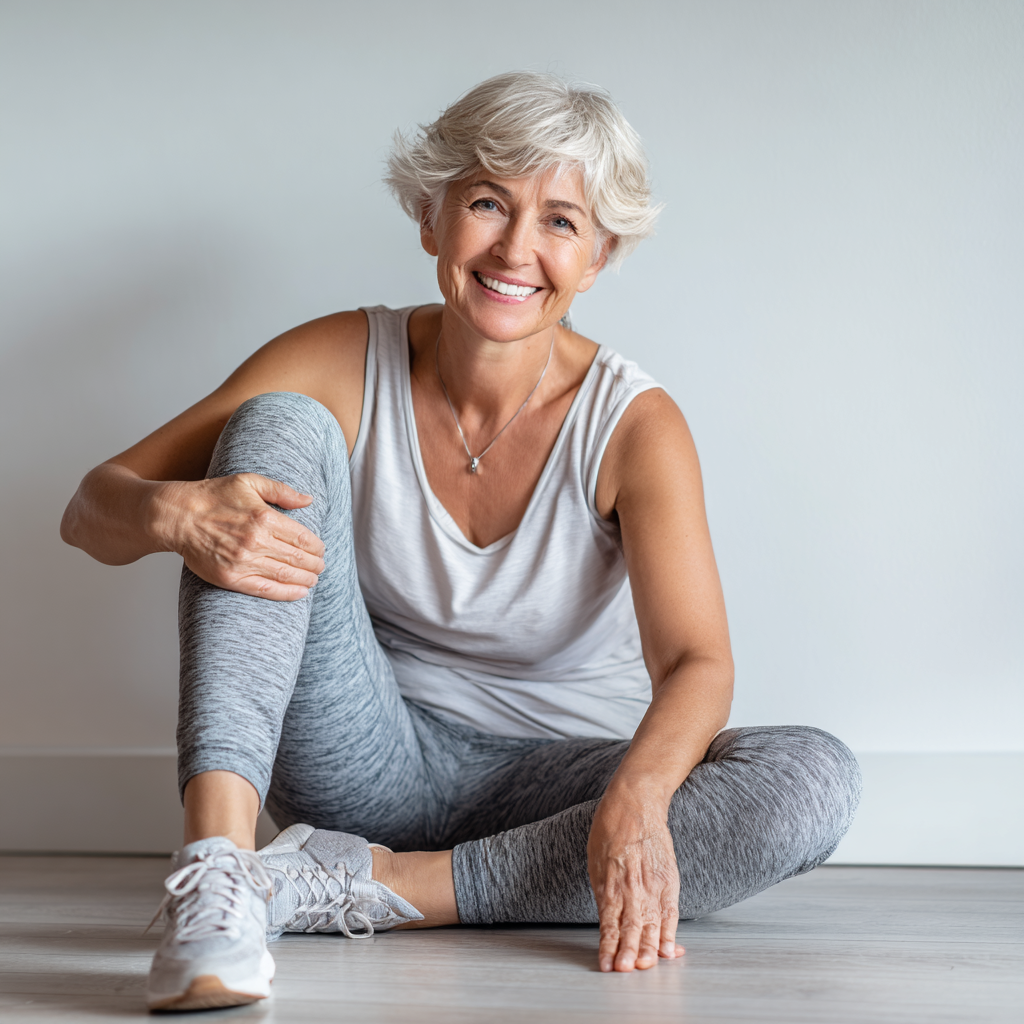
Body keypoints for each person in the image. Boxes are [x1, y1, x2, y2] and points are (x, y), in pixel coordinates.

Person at [61, 71, 860, 1012]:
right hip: (360, 754)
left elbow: (696, 661)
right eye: (487, 202)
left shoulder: (633, 425)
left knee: (812, 778)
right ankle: (219, 877)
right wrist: (179, 516)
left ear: (597, 255)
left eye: (561, 221)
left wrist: (639, 804)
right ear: (431, 215)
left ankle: (348, 887)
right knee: (279, 425)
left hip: (551, 784)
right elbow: (91, 508)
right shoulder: (343, 359)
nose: (517, 248)